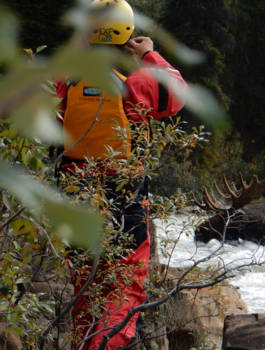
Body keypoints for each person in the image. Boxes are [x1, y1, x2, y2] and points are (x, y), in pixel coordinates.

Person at [54, 0, 187, 349]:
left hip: (76, 197)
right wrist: (148, 55)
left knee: (85, 288)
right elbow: (176, 92)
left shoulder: (66, 82)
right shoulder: (137, 87)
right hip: (124, 200)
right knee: (124, 289)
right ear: (126, 36)